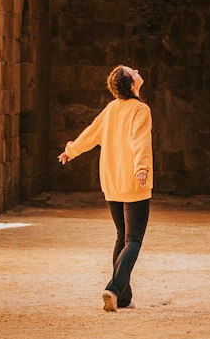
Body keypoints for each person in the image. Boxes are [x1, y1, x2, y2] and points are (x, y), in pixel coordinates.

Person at [58, 64, 153, 312]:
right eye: (134, 71)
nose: (138, 71)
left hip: (111, 181)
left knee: (122, 238)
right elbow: (139, 140)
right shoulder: (140, 109)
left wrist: (71, 151)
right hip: (134, 181)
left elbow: (90, 134)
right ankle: (113, 287)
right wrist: (142, 167)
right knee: (133, 239)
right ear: (132, 83)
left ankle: (122, 297)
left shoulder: (111, 109)